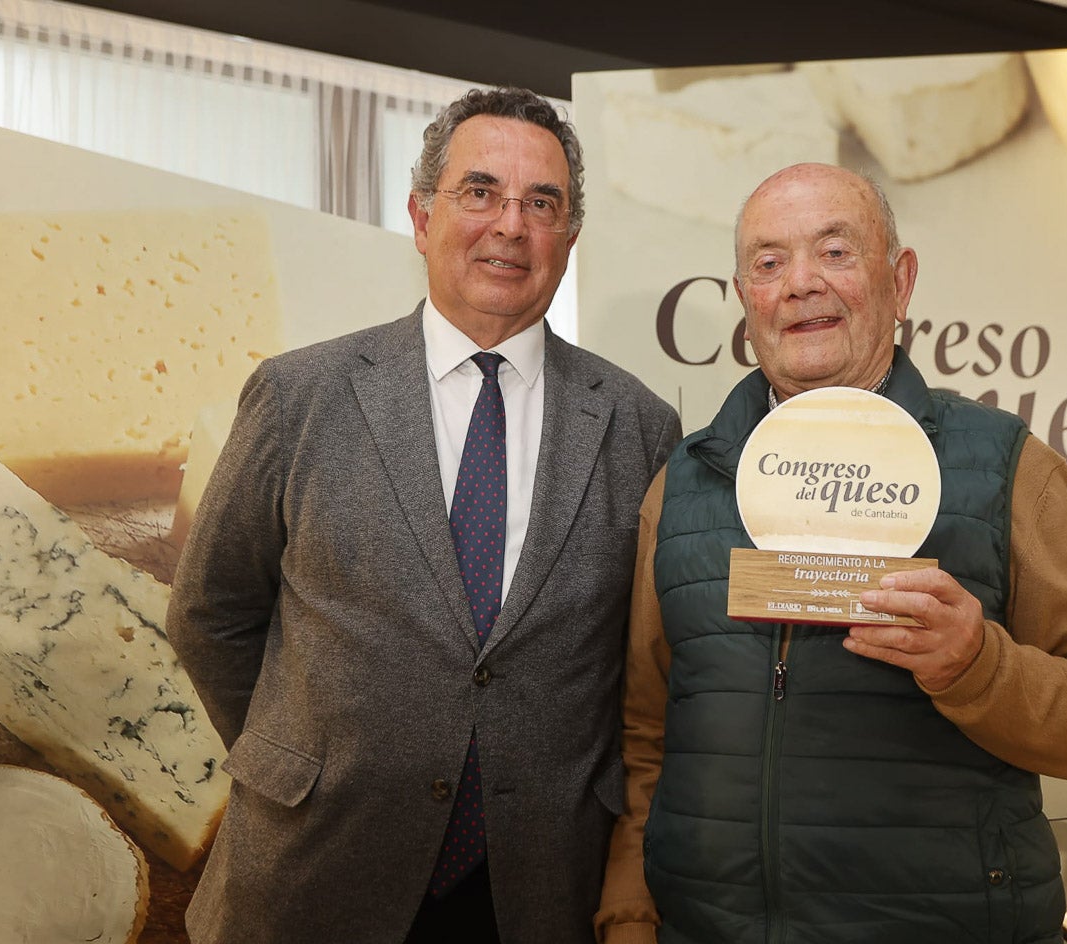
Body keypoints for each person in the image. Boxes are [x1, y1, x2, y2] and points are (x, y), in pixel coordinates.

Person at [166, 86, 680, 944]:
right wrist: (304, 758)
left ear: (569, 237)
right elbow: (208, 613)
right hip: (315, 868)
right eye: (479, 192)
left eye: (540, 203)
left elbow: (639, 669)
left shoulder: (636, 425)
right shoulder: (301, 396)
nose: (509, 225)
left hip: (539, 884)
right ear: (420, 214)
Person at [593, 163, 1067, 944]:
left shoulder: (1012, 470)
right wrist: (627, 915)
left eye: (834, 251)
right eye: (767, 262)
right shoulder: (680, 483)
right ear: (744, 299)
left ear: (900, 279)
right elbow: (649, 730)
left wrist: (975, 665)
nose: (798, 284)